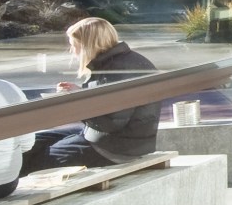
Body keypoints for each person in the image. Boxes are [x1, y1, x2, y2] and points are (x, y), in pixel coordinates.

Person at [16, 16, 163, 179]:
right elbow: (108, 105)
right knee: (34, 143)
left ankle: (4, 189)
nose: (72, 51)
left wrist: (74, 103)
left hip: (115, 147)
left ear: (87, 45)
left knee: (40, 158)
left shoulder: (116, 69)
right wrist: (79, 93)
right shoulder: (117, 62)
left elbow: (111, 123)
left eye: (74, 46)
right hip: (118, 139)